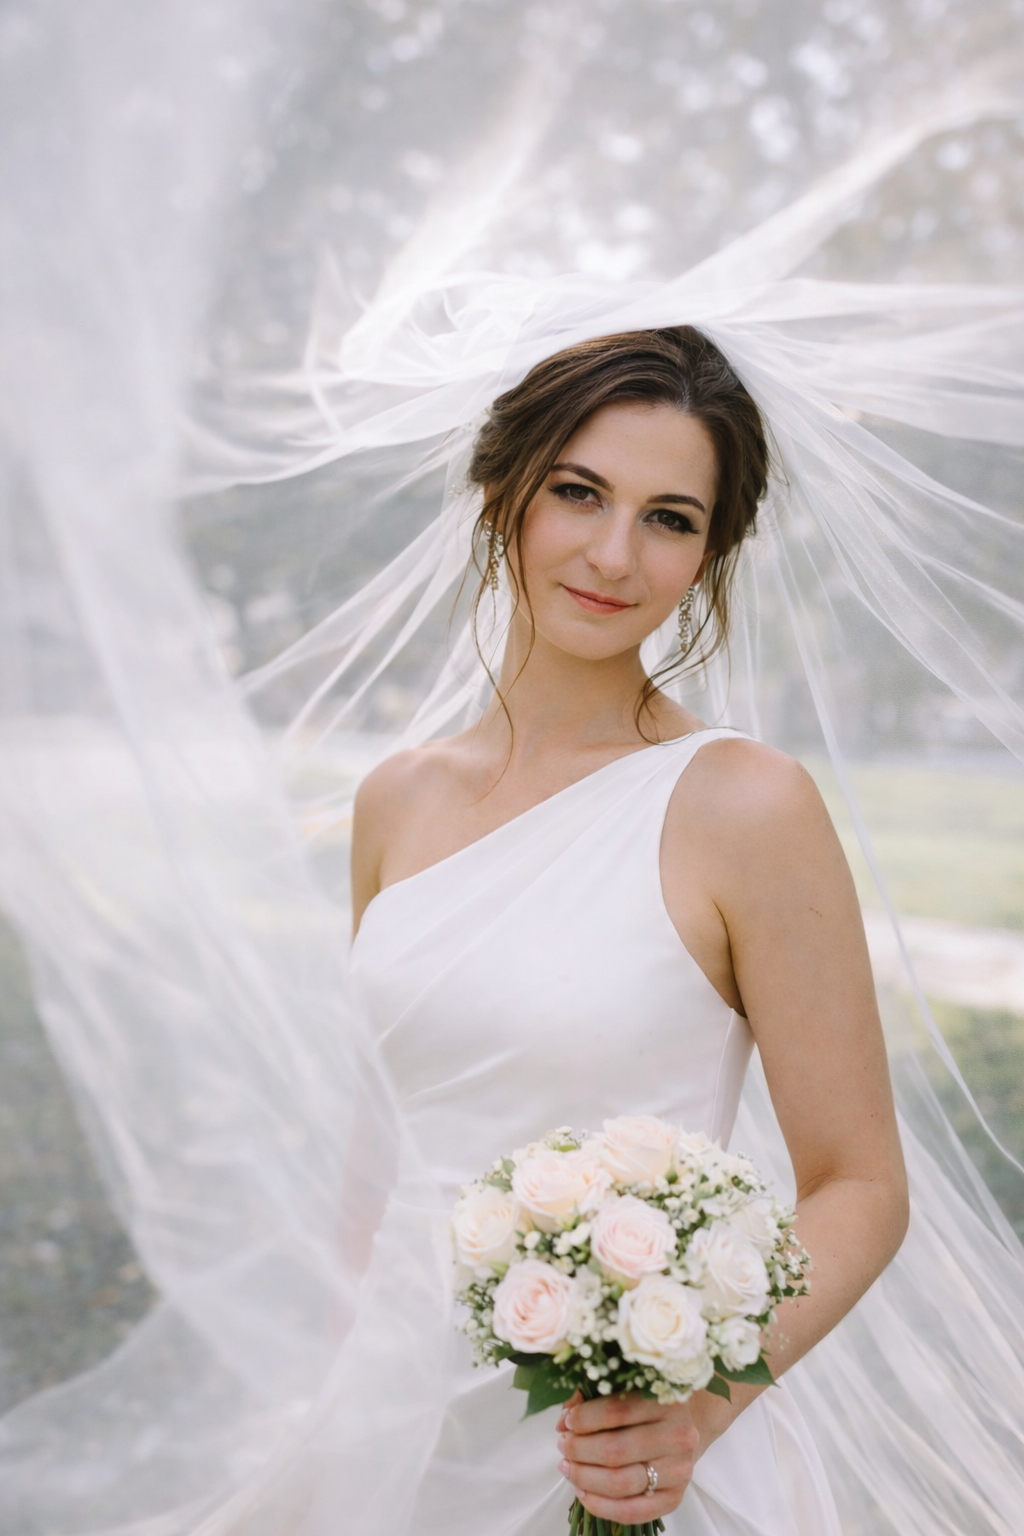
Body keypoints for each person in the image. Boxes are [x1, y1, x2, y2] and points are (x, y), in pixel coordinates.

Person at [348, 327, 909, 1533]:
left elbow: (858, 1183)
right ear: (503, 488)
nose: (614, 554)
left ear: (709, 555)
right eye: (578, 493)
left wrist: (694, 1408)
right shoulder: (396, 799)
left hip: (624, 1451)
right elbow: (379, 1138)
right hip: (388, 1431)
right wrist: (326, 1374)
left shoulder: (744, 804)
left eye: (669, 518)